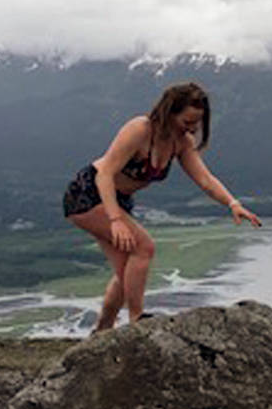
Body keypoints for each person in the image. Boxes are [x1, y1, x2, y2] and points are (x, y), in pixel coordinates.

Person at [62, 81, 261, 331]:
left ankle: (103, 328)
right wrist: (115, 220)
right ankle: (137, 320)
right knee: (144, 247)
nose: (191, 128)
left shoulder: (181, 143)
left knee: (127, 273)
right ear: (170, 113)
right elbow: (105, 174)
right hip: (89, 193)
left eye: (196, 123)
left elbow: (205, 180)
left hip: (118, 200)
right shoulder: (140, 129)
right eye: (186, 122)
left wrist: (233, 203)